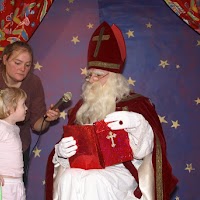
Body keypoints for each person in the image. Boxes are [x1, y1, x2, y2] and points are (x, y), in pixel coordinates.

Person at [45, 21, 178, 200]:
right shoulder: (82, 107)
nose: (91, 80)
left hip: (121, 169)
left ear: (114, 77)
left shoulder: (136, 104)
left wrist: (136, 123)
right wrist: (61, 152)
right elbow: (66, 147)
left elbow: (147, 151)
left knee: (94, 181)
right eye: (89, 75)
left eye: (98, 75)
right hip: (83, 167)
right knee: (67, 178)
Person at [0, 41, 60, 187]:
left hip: (18, 148)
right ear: (5, 59)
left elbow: (37, 125)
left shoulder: (34, 83)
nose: (22, 69)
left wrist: (47, 118)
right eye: (18, 63)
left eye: (28, 65)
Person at [0, 87, 28, 200]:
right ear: (11, 108)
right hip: (5, 184)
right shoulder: (1, 127)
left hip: (17, 183)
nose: (26, 108)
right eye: (23, 104)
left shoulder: (15, 128)